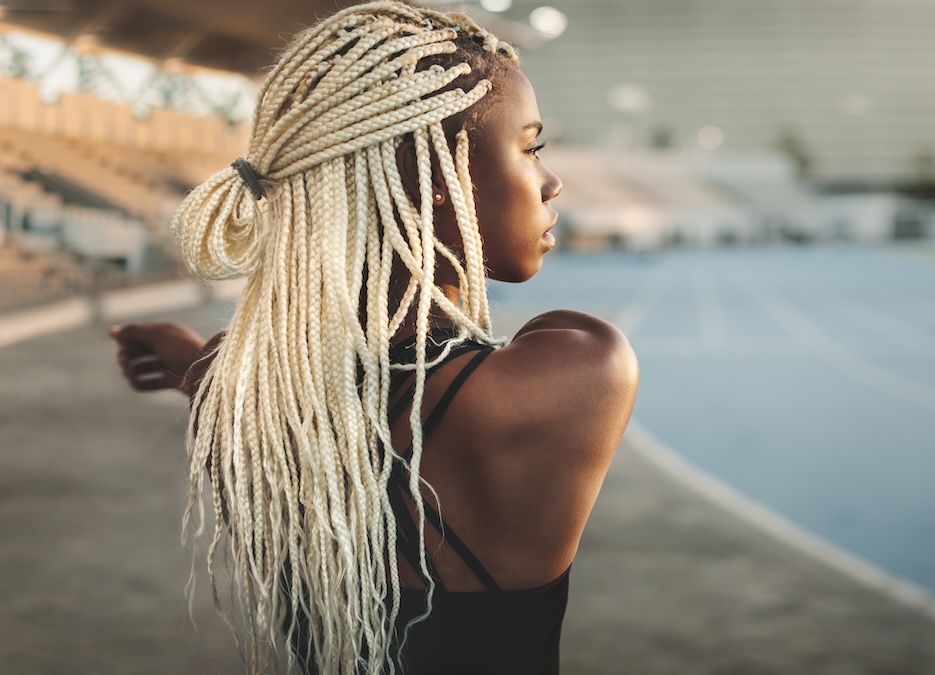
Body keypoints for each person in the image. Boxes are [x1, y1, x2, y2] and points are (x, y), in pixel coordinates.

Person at [109, 3, 638, 673]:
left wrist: (192, 361)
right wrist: (195, 361)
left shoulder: (244, 396)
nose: (551, 180)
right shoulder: (581, 364)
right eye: (530, 147)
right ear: (432, 177)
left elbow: (235, 377)